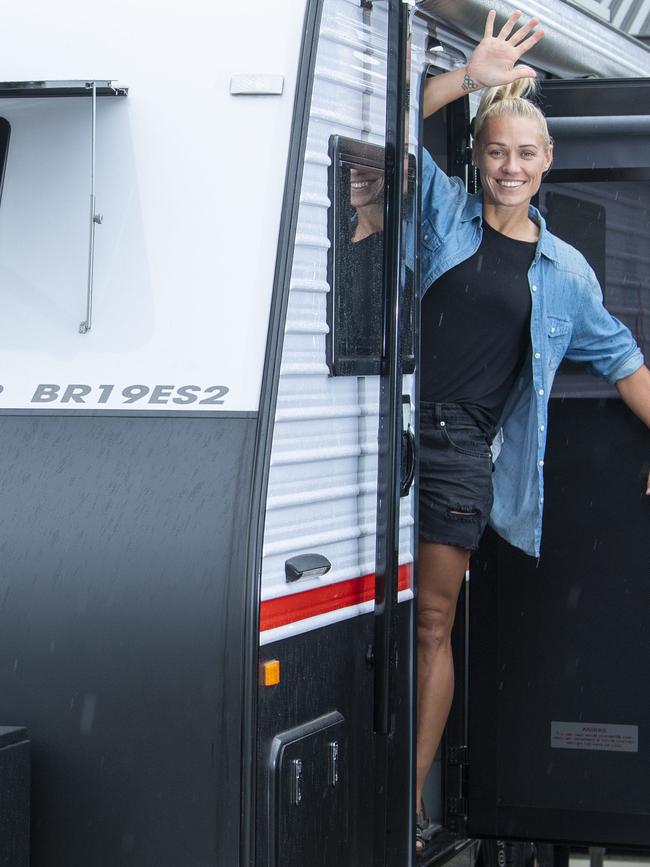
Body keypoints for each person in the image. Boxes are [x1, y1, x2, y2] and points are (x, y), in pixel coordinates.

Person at [415, 8, 650, 851]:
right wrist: (469, 80)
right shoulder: (443, 212)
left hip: (458, 449)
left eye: (524, 154)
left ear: (546, 162)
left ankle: (407, 804)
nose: (509, 167)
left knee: (432, 623)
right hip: (393, 429)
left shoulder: (567, 273)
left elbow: (626, 362)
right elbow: (393, 121)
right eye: (495, 151)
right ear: (477, 158)